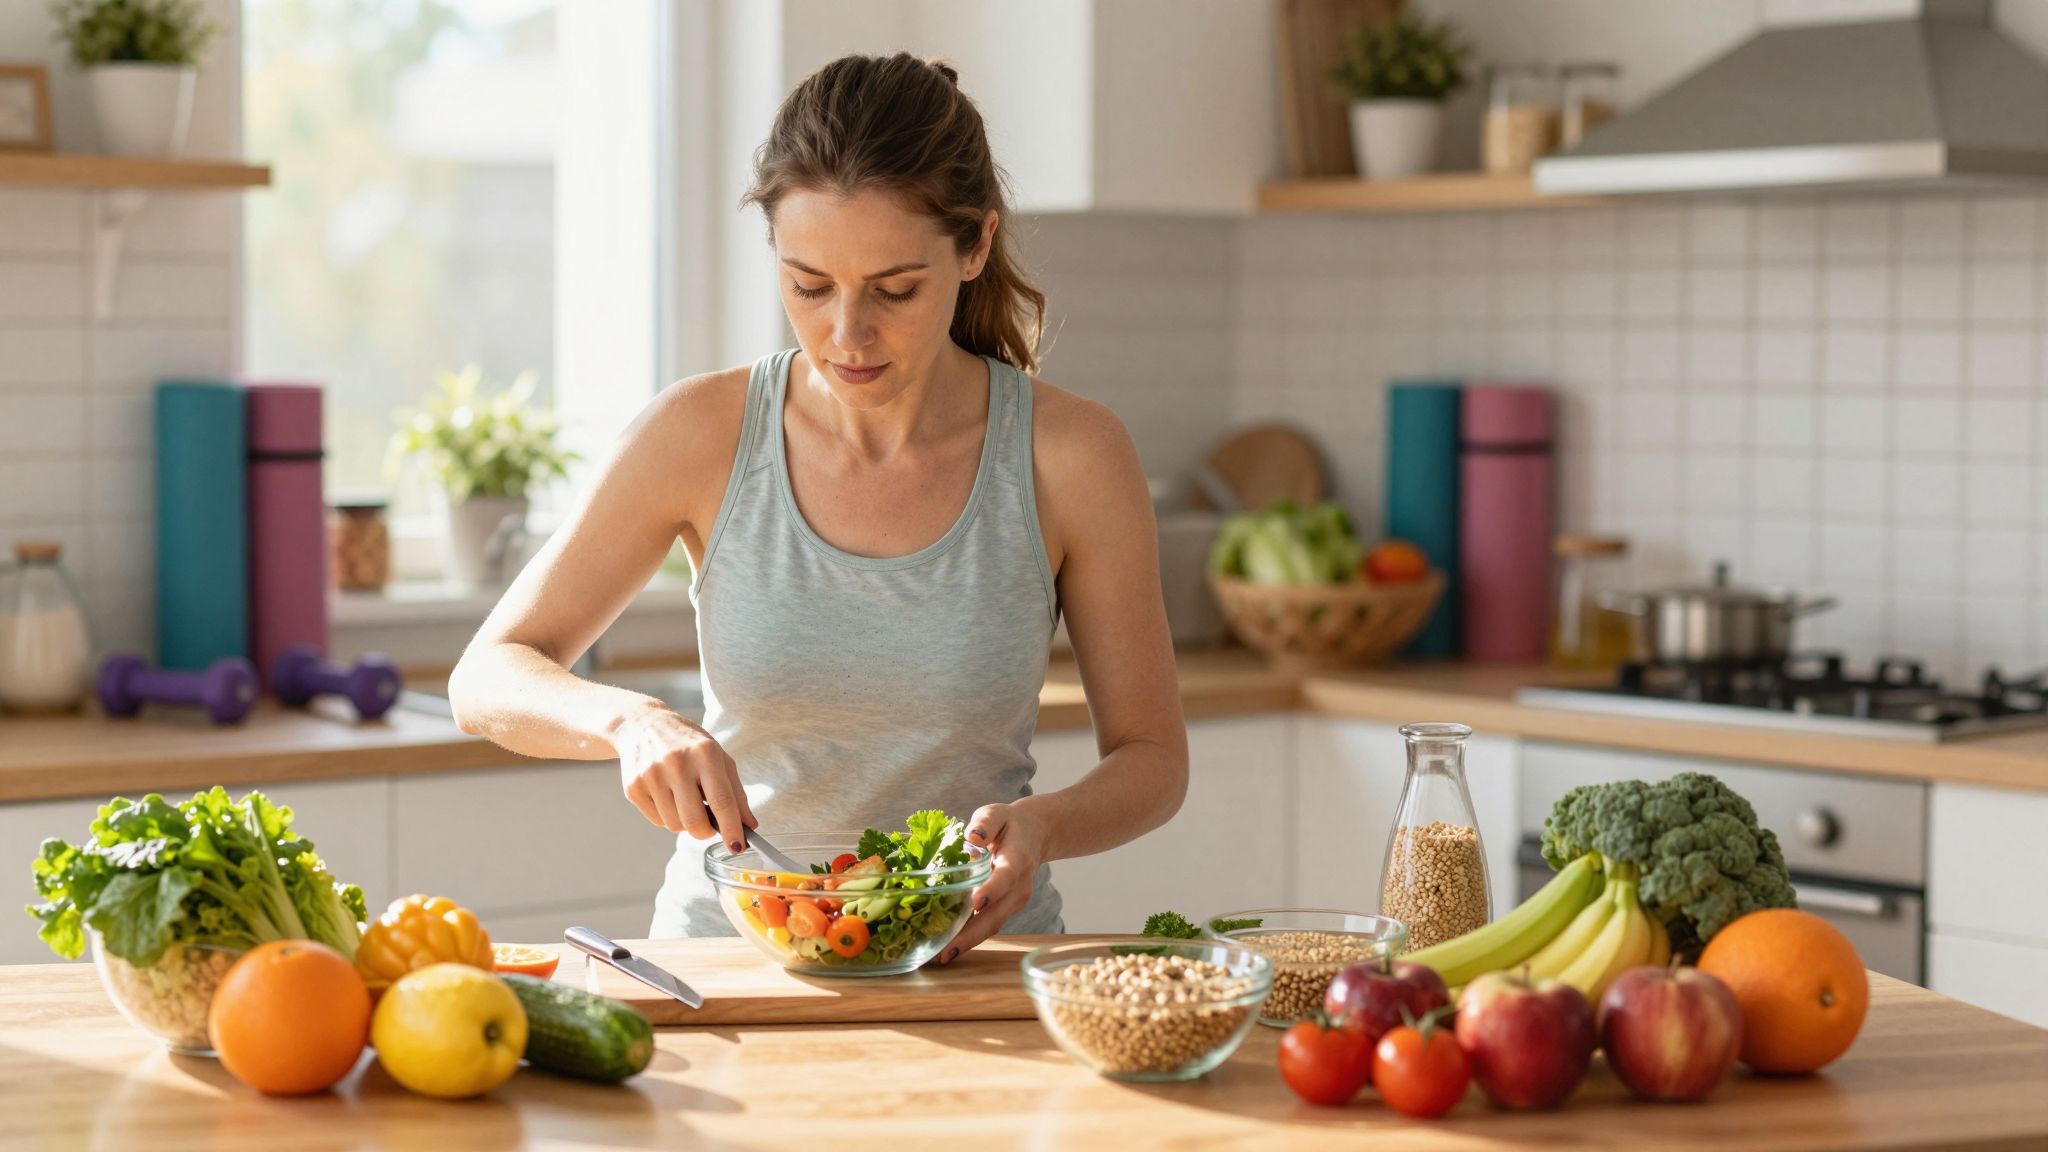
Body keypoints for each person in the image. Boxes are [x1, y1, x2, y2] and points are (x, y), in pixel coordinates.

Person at [448, 53, 1187, 961]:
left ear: (976, 247)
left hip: (977, 964)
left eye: (894, 290)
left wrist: (1046, 825)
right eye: (808, 285)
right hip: (728, 964)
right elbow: (486, 676)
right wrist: (631, 723)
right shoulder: (699, 433)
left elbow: (1153, 758)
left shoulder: (1072, 456)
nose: (847, 334)